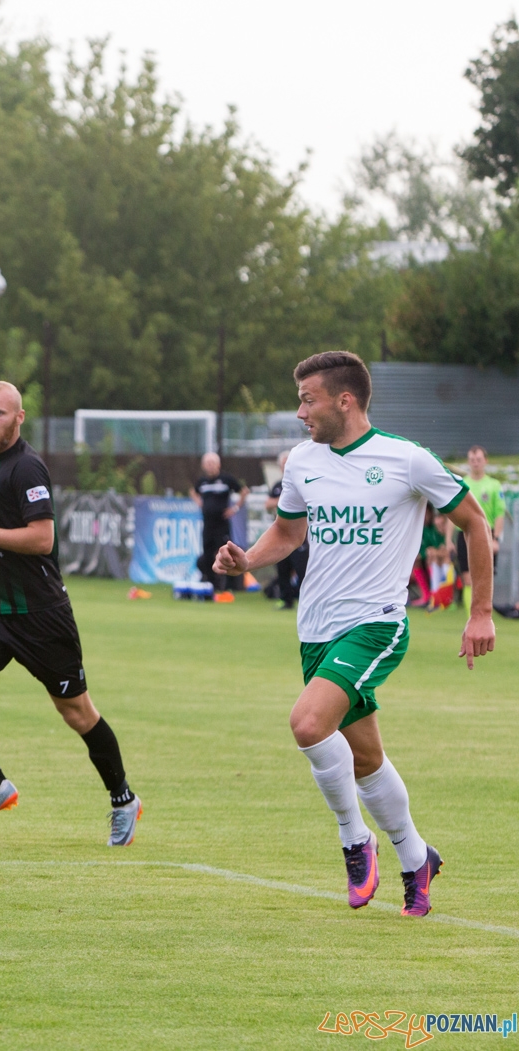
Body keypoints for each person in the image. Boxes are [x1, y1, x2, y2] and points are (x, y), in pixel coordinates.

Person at [216, 351, 495, 917]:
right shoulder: (301, 461)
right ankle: (417, 857)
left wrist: (481, 611)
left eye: (307, 399)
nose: (300, 412)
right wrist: (249, 560)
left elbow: (474, 523)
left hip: (376, 625)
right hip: (316, 628)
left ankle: (354, 841)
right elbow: (289, 531)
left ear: (345, 400)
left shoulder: (406, 459)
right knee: (364, 758)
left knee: (307, 722)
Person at [0, 382, 141, 847]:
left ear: (19, 418)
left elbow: (42, 539)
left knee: (77, 713)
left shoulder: (26, 467)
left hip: (42, 616)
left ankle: (123, 799)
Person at [191, 452, 247, 599]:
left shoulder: (226, 479)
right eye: (207, 463)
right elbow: (193, 491)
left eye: (212, 463)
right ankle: (210, 586)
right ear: (204, 466)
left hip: (222, 524)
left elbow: (244, 491)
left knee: (224, 554)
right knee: (208, 554)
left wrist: (234, 508)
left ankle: (228, 586)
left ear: (218, 464)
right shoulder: (202, 482)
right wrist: (200, 503)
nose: (210, 466)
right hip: (207, 524)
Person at [458, 446, 507, 605]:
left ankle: (485, 619)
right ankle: (470, 620)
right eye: (472, 460)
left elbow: (500, 513)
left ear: (485, 461)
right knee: (467, 578)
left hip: (487, 533)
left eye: (478, 460)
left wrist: (496, 538)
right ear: (468, 462)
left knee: (485, 581)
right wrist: (448, 539)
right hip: (465, 533)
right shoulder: (463, 483)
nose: (475, 463)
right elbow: (453, 511)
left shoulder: (494, 485)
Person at [264, 450, 308, 609]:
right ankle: (286, 600)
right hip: (281, 533)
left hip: (300, 534)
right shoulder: (278, 485)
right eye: (283, 465)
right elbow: (268, 504)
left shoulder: (303, 482)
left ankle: (306, 601)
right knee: (282, 568)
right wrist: (283, 501)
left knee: (302, 568)